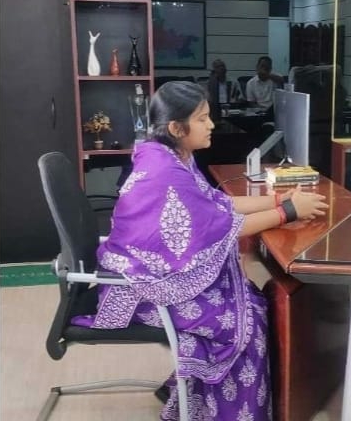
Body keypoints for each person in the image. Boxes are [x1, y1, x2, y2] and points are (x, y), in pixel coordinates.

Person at [72, 81, 328, 420]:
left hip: (144, 276)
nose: (211, 125)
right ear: (177, 128)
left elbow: (218, 205)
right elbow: (223, 227)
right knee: (243, 326)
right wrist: (289, 212)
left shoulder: (172, 156)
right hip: (140, 290)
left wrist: (279, 199)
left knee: (249, 300)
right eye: (202, 119)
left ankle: (189, 394)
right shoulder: (166, 171)